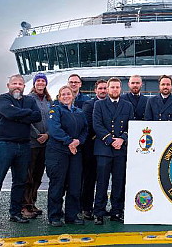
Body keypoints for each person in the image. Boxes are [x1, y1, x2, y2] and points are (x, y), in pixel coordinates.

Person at [0, 74, 41, 230]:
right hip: (3, 145)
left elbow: (37, 116)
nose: (17, 86)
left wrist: (18, 113)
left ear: (24, 86)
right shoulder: (2, 99)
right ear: (8, 86)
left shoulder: (30, 100)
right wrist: (24, 114)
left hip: (24, 145)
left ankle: (15, 213)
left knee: (20, 182)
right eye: (14, 83)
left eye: (20, 84)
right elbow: (9, 113)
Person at [92, 77, 134, 224]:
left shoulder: (127, 105)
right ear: (107, 89)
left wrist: (122, 139)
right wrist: (110, 140)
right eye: (112, 87)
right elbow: (96, 125)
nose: (114, 90)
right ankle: (99, 212)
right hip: (104, 148)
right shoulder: (99, 104)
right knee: (102, 182)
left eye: (117, 87)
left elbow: (131, 125)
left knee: (118, 182)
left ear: (121, 89)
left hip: (120, 149)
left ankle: (117, 211)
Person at [45, 86, 88, 226]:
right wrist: (69, 141)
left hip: (75, 153)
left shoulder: (79, 112)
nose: (66, 96)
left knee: (75, 185)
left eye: (68, 94)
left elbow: (85, 130)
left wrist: (78, 141)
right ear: (59, 96)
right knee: (58, 184)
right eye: (62, 94)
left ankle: (72, 215)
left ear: (72, 96)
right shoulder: (55, 109)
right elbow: (54, 129)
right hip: (58, 152)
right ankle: (55, 216)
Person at [21, 73, 51, 219]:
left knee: (38, 175)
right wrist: (37, 135)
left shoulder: (48, 100)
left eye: (42, 81)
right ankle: (25, 205)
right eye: (38, 81)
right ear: (34, 83)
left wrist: (48, 134)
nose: (40, 83)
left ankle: (32, 202)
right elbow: (28, 119)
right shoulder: (28, 99)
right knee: (29, 175)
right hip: (32, 143)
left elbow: (53, 119)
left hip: (46, 143)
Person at [80, 79, 108, 220]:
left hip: (106, 148)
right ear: (96, 90)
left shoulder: (110, 104)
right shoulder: (89, 104)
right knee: (89, 179)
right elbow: (88, 125)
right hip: (91, 148)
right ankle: (87, 208)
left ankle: (100, 207)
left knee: (103, 180)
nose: (103, 91)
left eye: (105, 88)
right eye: (101, 88)